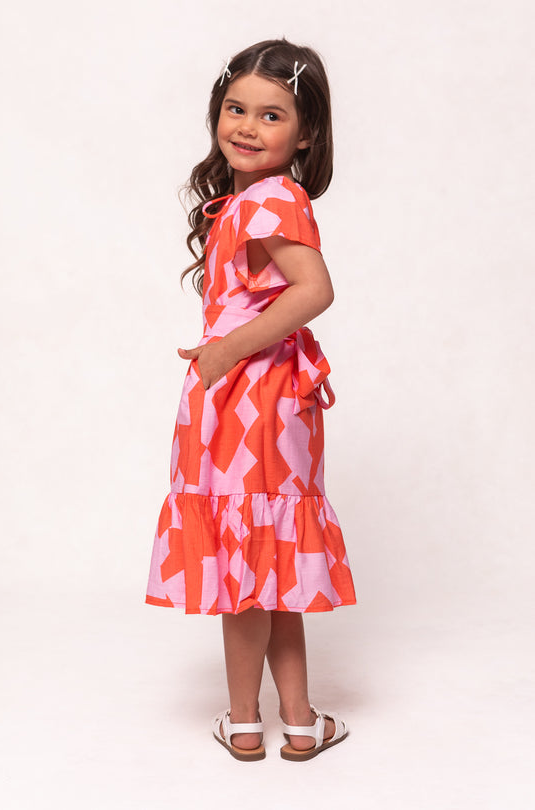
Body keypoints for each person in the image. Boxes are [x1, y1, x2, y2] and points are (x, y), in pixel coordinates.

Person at [145, 38, 357, 762]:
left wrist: (229, 349)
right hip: (253, 402)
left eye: (271, 115)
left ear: (306, 134)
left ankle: (243, 720)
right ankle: (297, 721)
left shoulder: (273, 199)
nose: (246, 125)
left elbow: (315, 289)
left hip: (249, 402)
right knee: (272, 560)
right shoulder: (246, 202)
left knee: (248, 559)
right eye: (236, 108)